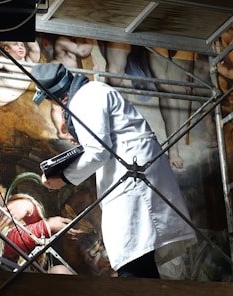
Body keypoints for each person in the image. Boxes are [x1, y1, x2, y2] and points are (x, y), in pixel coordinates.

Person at [31, 62, 198, 278]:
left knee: (134, 251)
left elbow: (98, 151)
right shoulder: (91, 94)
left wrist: (63, 177)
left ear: (57, 96)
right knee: (136, 250)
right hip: (130, 172)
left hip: (133, 176)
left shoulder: (85, 97)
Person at [0, 144, 81, 271]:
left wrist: (29, 207)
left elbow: (30, 237)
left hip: (20, 268)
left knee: (61, 271)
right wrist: (47, 226)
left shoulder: (2, 195)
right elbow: (0, 244)